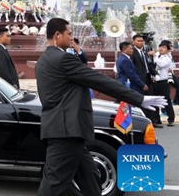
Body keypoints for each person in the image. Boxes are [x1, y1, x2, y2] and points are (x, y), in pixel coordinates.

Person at [35, 18, 166, 196]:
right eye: (69, 34)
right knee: (53, 184)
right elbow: (99, 81)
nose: (72, 38)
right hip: (66, 132)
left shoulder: (43, 60)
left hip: (65, 130)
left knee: (90, 176)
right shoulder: (63, 59)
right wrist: (139, 99)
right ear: (58, 35)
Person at [131, 34, 160, 126]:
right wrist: (139, 82)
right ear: (134, 42)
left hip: (148, 78)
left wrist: (155, 74)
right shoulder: (132, 52)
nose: (140, 42)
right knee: (141, 101)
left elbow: (149, 65)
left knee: (150, 100)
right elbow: (132, 69)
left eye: (141, 41)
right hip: (139, 81)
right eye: (138, 41)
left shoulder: (144, 52)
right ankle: (142, 122)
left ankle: (151, 121)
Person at [153, 40, 175, 127]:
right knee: (155, 101)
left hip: (162, 82)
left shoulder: (167, 58)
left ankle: (171, 118)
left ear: (167, 49)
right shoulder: (157, 55)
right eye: (160, 47)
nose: (161, 49)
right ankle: (157, 119)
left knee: (166, 100)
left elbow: (161, 64)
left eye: (164, 47)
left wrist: (154, 56)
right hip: (154, 81)